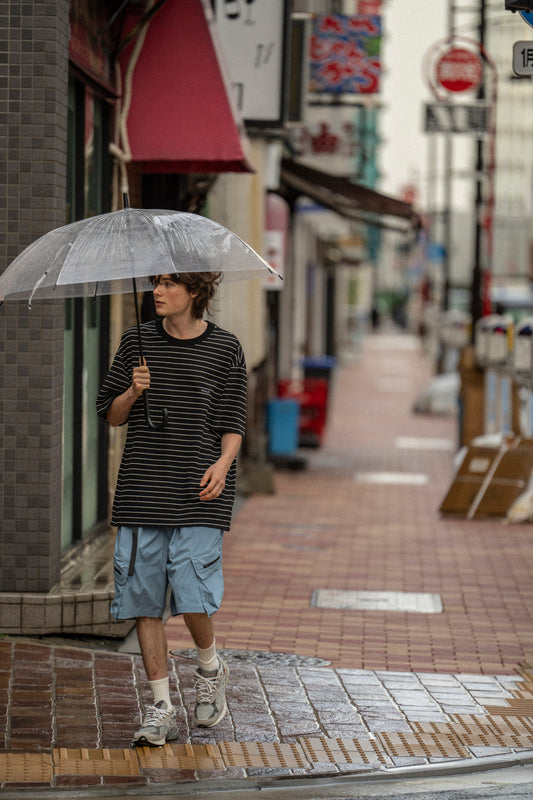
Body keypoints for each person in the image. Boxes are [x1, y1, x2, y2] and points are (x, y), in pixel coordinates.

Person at [96, 271, 246, 747]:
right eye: (156, 283)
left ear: (195, 292)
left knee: (191, 587)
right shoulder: (134, 342)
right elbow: (111, 415)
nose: (158, 292)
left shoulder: (226, 348)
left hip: (201, 489)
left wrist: (223, 464)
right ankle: (160, 706)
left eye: (169, 284)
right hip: (143, 488)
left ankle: (209, 667)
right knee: (142, 597)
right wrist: (134, 390)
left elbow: (232, 418)